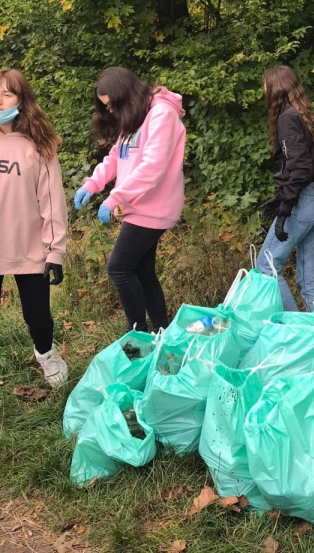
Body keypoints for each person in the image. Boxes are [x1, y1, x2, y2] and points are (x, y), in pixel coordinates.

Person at [74, 68, 186, 333]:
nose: (111, 111)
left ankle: (137, 337)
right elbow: (117, 155)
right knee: (143, 272)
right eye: (106, 107)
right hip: (138, 206)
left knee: (119, 269)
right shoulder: (135, 115)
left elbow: (153, 167)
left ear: (127, 95)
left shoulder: (162, 114)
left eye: (112, 105)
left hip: (154, 207)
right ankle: (162, 333)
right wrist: (92, 184)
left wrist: (115, 198)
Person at [0, 69, 68, 386]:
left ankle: (46, 354)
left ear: (21, 100)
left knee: (38, 315)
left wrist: (55, 251)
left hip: (28, 247)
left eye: (6, 94)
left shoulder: (39, 147)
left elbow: (52, 201)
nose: (0, 101)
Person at [256, 65, 314, 311]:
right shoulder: (304, 114)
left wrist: (285, 207)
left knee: (267, 266)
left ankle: (295, 325)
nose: (264, 92)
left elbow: (300, 168)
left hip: (304, 201)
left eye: (266, 87)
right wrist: (282, 197)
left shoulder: (287, 118)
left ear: (276, 89)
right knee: (309, 280)